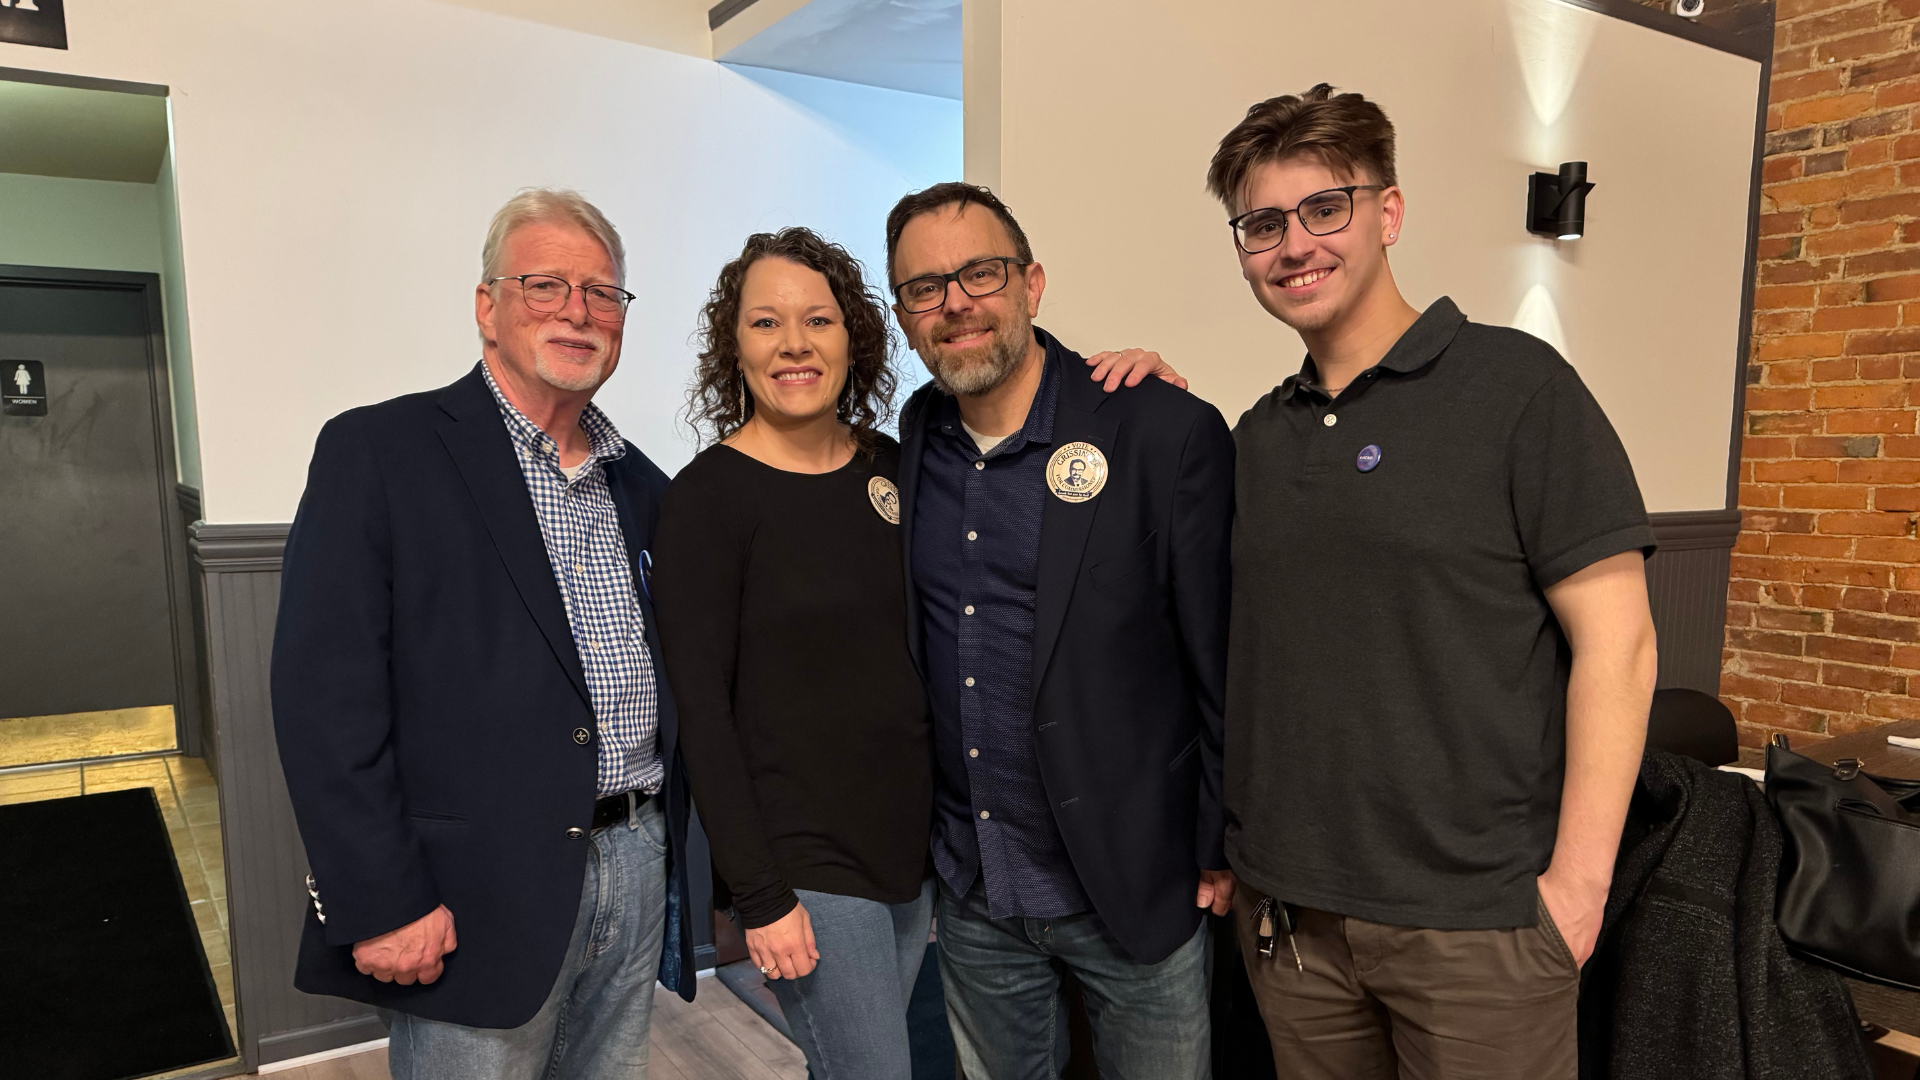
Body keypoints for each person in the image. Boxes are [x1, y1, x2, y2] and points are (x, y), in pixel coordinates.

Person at [1211, 85, 1658, 1080]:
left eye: (1326, 207)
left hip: (1478, 927)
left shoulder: (1518, 390)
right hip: (1294, 920)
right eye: (1263, 224)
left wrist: (1577, 890)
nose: (1296, 244)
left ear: (1389, 212)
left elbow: (1619, 644)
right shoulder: (1255, 437)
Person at [271, 188, 696, 1080]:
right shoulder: (380, 452)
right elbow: (324, 700)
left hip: (636, 856)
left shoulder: (645, 488)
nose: (578, 311)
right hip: (471, 887)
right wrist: (379, 899)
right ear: (486, 306)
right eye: (545, 285)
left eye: (603, 293)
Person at [886, 181, 1236, 1080]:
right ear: (904, 315)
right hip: (975, 891)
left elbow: (1221, 662)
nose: (955, 301)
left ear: (1032, 283)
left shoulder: (1162, 430)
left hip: (1134, 882)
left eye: (981, 273)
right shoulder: (917, 433)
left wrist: (1221, 843)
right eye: (925, 288)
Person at [650, 228, 935, 1080]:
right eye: (766, 323)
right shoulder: (708, 500)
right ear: (733, 345)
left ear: (855, 336)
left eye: (818, 320)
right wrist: (761, 897)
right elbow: (701, 713)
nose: (795, 345)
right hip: (807, 860)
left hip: (916, 854)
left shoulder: (894, 468)